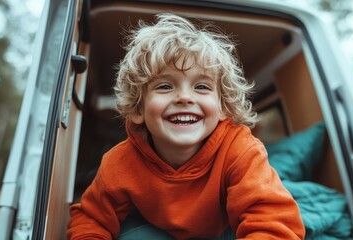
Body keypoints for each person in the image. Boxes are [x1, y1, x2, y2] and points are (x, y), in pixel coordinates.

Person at [67, 13, 305, 240]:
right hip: (158, 228)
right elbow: (91, 219)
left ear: (223, 108)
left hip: (227, 228)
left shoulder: (240, 150)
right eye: (164, 87)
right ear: (138, 109)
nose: (184, 97)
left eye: (201, 87)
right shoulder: (119, 163)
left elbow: (272, 220)